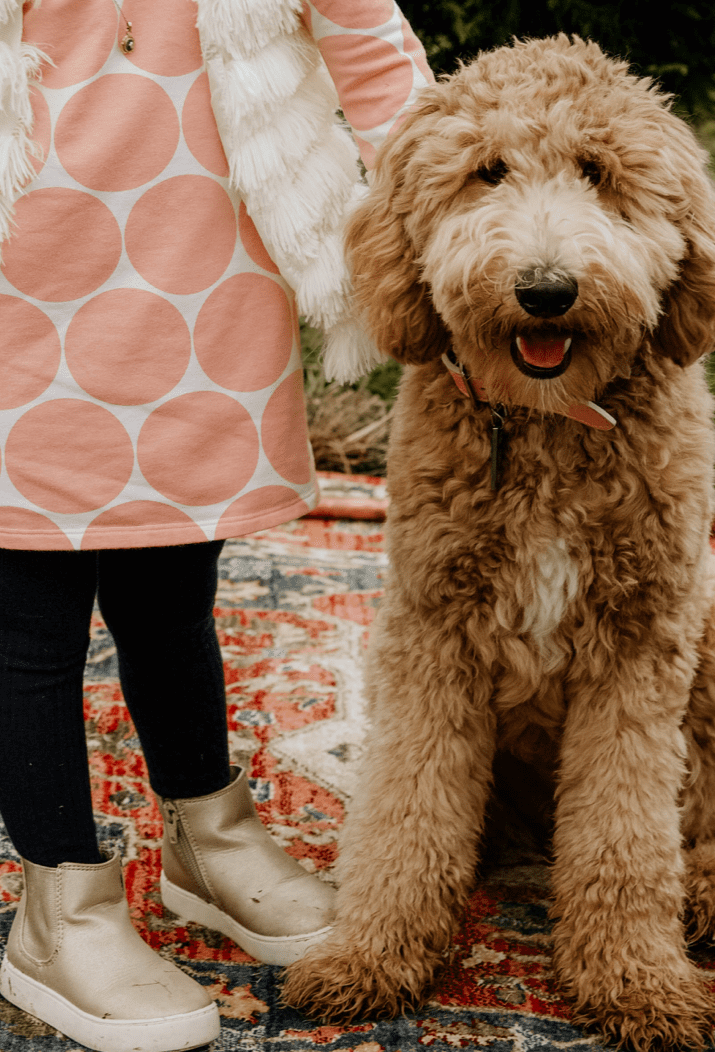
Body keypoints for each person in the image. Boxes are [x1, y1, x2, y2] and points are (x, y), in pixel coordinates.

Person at [0, 1, 432, 1049]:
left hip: (199, 254)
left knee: (169, 577)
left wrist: (447, 204)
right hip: (23, 253)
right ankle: (61, 907)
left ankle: (211, 833)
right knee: (29, 609)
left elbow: (369, 38)